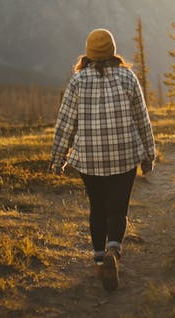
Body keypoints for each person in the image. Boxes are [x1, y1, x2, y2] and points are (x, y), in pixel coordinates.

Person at [50, 28, 157, 291]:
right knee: (118, 209)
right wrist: (149, 155)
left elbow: (65, 124)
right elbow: (142, 118)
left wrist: (57, 159)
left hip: (89, 158)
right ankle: (113, 251)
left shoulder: (77, 81)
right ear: (112, 50)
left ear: (89, 52)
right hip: (125, 154)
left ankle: (99, 261)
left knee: (97, 208)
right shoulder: (127, 76)